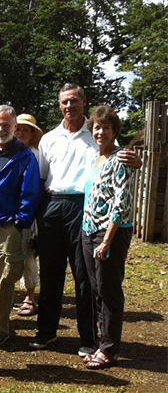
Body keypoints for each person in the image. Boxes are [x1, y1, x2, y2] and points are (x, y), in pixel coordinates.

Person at [31, 84, 139, 354]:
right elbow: (43, 178)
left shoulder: (95, 134)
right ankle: (47, 332)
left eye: (74, 101)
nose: (70, 106)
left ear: (84, 101)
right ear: (59, 105)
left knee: (84, 276)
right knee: (50, 272)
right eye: (65, 102)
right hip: (52, 204)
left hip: (83, 207)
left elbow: (119, 160)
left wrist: (136, 161)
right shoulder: (49, 138)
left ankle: (88, 338)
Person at [0, 106, 39, 346]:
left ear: (14, 126)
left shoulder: (25, 156)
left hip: (6, 226)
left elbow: (30, 192)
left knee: (6, 279)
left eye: (6, 125)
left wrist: (19, 221)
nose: (1, 130)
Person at [80, 106, 137, 370]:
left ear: (115, 131)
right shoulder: (96, 158)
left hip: (109, 232)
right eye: (96, 127)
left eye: (105, 127)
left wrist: (106, 241)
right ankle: (103, 344)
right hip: (89, 230)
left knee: (109, 289)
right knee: (97, 289)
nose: (100, 132)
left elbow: (120, 204)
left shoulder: (121, 159)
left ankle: (109, 350)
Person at [13, 113, 43, 316]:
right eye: (18, 129)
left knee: (27, 254)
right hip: (6, 213)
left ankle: (30, 297)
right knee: (4, 256)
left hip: (28, 213)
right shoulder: (6, 153)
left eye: (26, 130)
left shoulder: (37, 155)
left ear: (32, 134)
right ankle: (4, 295)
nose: (21, 133)